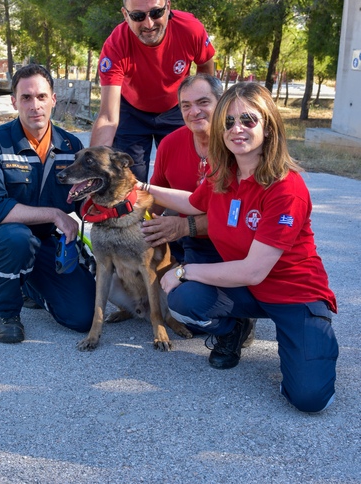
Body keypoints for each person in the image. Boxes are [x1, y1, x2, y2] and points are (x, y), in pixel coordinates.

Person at [141, 82, 338, 413]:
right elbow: (192, 202)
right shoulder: (224, 173)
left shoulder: (286, 188)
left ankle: (307, 335)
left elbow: (253, 269)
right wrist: (142, 187)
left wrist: (184, 269)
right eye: (229, 122)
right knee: (185, 298)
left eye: (248, 120)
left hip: (293, 295)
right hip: (247, 291)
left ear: (268, 125)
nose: (237, 129)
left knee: (309, 398)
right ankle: (236, 326)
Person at [0, 64, 96, 344]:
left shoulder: (71, 147)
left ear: (53, 99)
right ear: (14, 101)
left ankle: (28, 284)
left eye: (41, 97)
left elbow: (86, 201)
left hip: (46, 244)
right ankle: (6, 313)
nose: (34, 105)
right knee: (16, 238)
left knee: (83, 316)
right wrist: (55, 214)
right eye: (26, 98)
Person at [141, 73, 257, 346]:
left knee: (200, 305)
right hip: (195, 244)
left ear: (222, 103)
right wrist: (131, 216)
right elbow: (157, 199)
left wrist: (184, 225)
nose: (194, 111)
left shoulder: (237, 145)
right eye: (185, 105)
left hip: (235, 245)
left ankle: (239, 322)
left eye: (203, 102)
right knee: (183, 304)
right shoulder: (170, 143)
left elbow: (236, 216)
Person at [90, 0, 216, 182]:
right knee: (129, 181)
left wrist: (202, 108)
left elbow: (206, 66)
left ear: (168, 7)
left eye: (156, 13)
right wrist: (93, 169)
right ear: (125, 15)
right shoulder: (115, 45)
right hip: (132, 112)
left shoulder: (190, 28)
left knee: (183, 177)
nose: (148, 24)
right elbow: (108, 118)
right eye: (138, 16)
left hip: (175, 109)